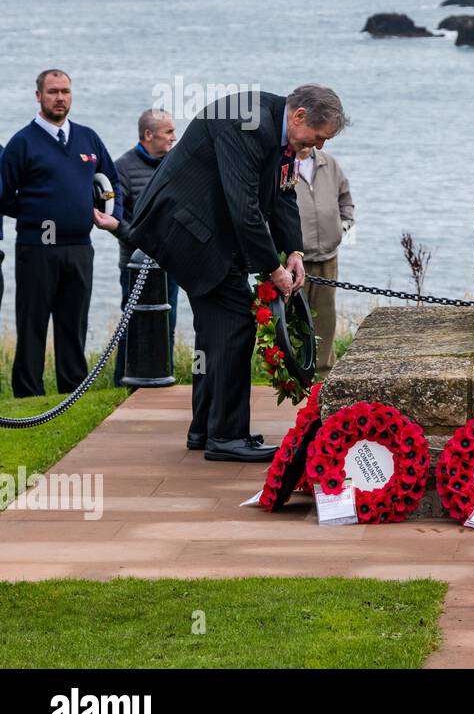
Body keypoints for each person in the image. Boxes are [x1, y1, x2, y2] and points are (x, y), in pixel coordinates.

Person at [94, 85, 349, 463]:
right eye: (320, 136)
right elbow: (244, 207)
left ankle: (205, 429)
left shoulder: (281, 134)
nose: (320, 146)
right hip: (184, 229)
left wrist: (293, 251)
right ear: (299, 117)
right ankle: (227, 436)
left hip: (206, 231)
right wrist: (273, 270)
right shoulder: (248, 123)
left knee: (216, 330)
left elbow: (280, 196)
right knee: (235, 322)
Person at [0, 70, 120, 397]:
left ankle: (73, 392)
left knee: (73, 327)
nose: (60, 98)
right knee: (32, 326)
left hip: (80, 248)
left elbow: (111, 182)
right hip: (36, 248)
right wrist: (31, 213)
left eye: (65, 91)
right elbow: (3, 194)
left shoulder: (88, 139)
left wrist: (112, 214)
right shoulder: (21, 143)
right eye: (52, 92)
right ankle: (28, 395)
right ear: (38, 95)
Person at [112, 109, 180, 386]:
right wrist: (147, 243)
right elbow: (116, 220)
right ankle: (123, 380)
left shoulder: (175, 164)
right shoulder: (122, 168)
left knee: (168, 323)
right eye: (168, 132)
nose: (174, 138)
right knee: (132, 325)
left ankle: (164, 376)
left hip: (170, 263)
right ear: (149, 135)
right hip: (134, 265)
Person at [294, 144, 354, 379]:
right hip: (294, 258)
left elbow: (345, 198)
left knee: (326, 317)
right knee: (294, 318)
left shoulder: (328, 163)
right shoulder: (281, 164)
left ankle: (324, 372)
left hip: (328, 255)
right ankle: (296, 370)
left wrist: (344, 225)